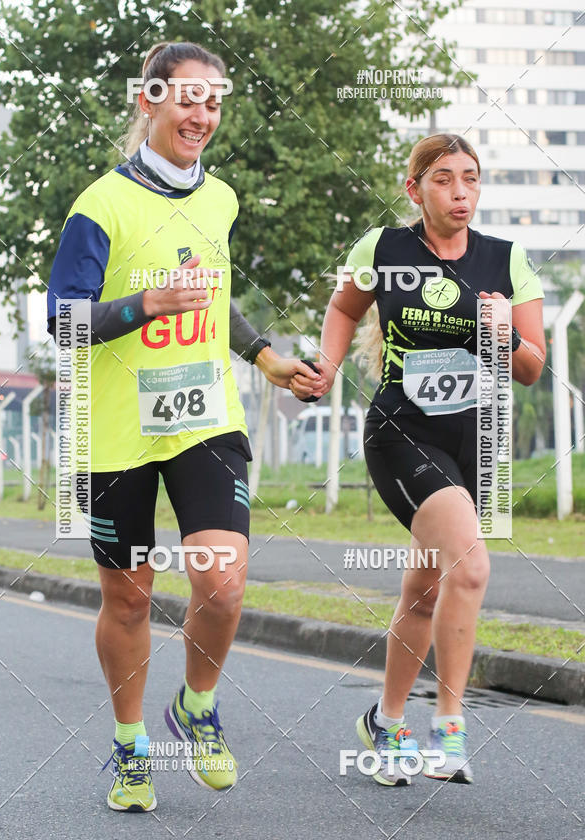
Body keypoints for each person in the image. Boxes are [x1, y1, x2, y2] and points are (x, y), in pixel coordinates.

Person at [47, 41, 320, 812]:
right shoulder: (99, 206)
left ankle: (195, 706)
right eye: (187, 99)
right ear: (149, 101)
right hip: (114, 432)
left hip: (204, 417)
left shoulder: (220, 199)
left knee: (222, 582)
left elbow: (213, 296)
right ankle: (132, 748)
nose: (202, 115)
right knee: (130, 600)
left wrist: (265, 357)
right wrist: (147, 304)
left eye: (213, 101)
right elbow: (63, 323)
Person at [291, 133, 545, 786]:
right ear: (415, 189)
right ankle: (449, 729)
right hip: (402, 432)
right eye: (443, 179)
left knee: (426, 587)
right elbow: (344, 307)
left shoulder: (507, 260)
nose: (460, 192)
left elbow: (530, 368)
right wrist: (328, 366)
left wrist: (504, 334)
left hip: (474, 441)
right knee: (470, 566)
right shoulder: (383, 249)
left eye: (470, 178)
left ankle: (387, 721)